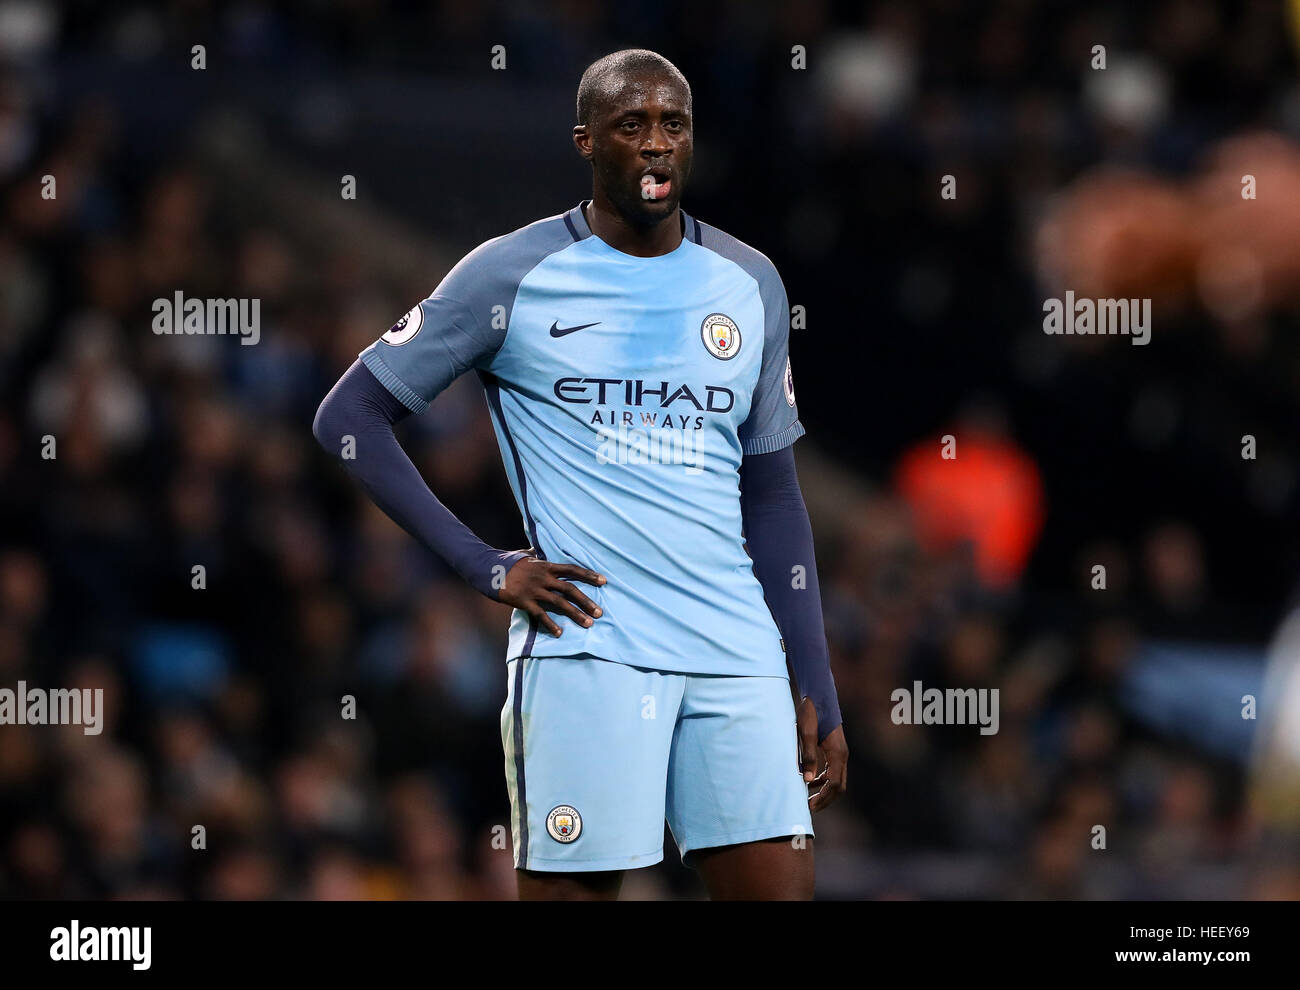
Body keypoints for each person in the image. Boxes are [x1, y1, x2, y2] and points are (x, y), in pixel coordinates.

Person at [314, 48, 846, 900]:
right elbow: (348, 419)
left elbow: (774, 494)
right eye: (631, 125)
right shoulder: (510, 274)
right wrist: (482, 563)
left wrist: (815, 679)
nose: (656, 145)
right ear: (585, 141)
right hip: (591, 646)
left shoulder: (749, 282)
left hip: (735, 651)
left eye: (674, 125)